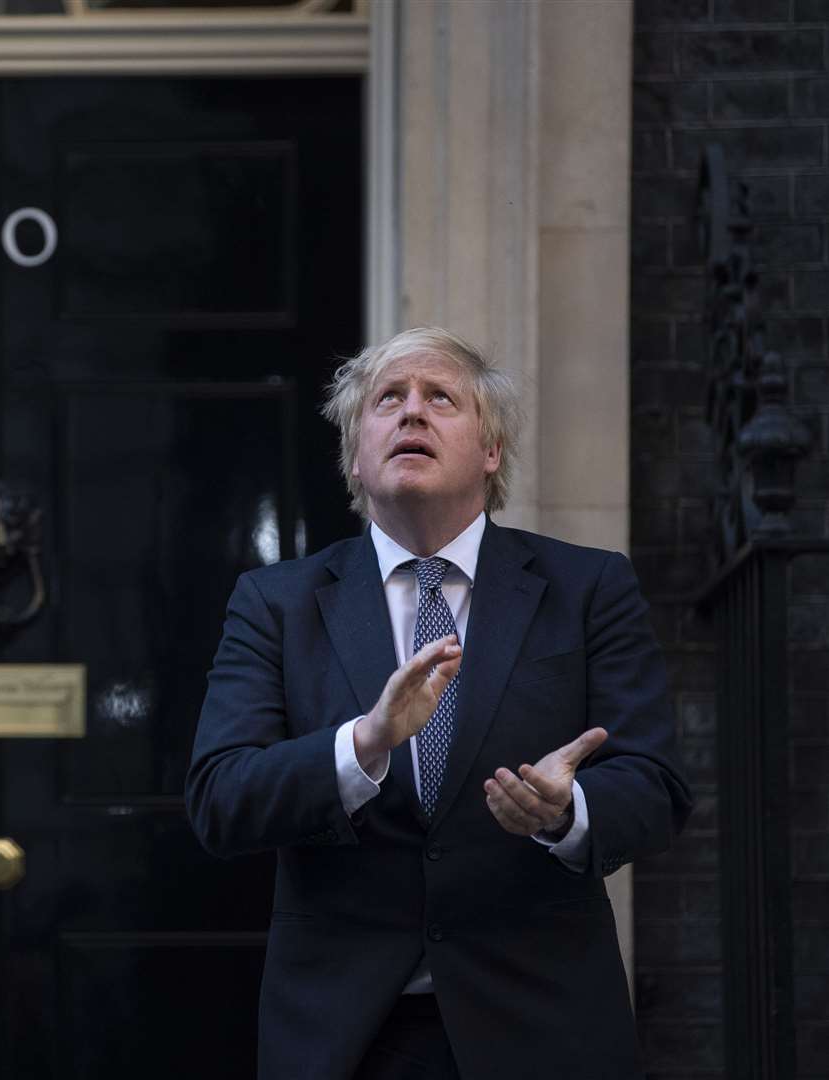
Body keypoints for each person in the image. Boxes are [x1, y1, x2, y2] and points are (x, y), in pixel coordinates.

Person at [186, 327, 691, 1080]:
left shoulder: (588, 588)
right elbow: (221, 798)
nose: (411, 413)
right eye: (388, 399)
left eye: (440, 398)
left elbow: (656, 784)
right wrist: (362, 744)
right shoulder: (276, 603)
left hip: (543, 1026)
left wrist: (567, 811)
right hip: (346, 1035)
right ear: (356, 456)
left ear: (490, 452)